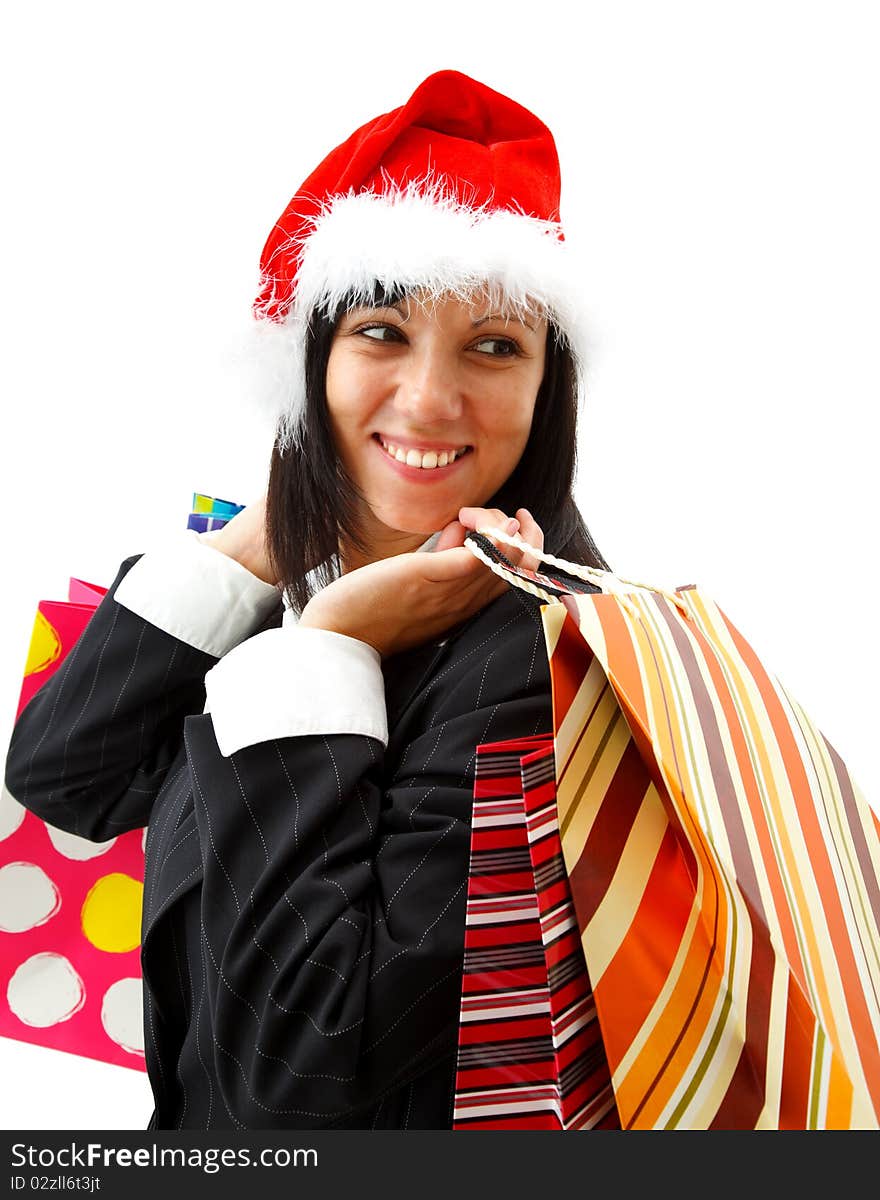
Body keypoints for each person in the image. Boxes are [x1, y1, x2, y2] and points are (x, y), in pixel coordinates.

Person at [3, 69, 611, 1130]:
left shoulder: (536, 661)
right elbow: (66, 773)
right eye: (381, 331)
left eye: (494, 345)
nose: (428, 398)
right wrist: (253, 547)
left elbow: (307, 1074)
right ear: (309, 360)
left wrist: (330, 649)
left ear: (545, 385)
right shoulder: (298, 571)